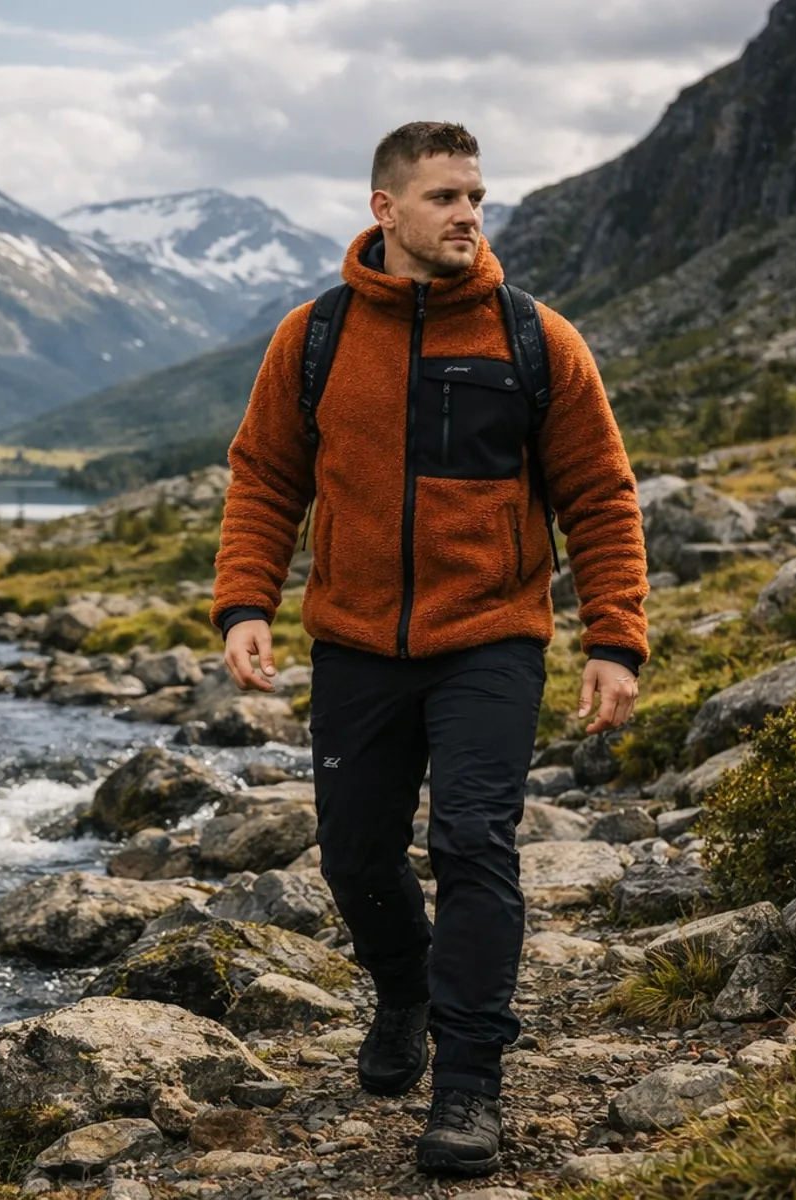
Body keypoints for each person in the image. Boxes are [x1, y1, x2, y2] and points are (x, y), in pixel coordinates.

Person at [210, 121, 649, 1178]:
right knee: (354, 855)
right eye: (446, 197)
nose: (467, 216)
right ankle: (403, 989)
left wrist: (615, 637)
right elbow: (266, 476)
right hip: (356, 642)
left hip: (490, 639)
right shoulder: (313, 338)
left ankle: (469, 1087)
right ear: (386, 209)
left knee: (472, 844)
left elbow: (600, 494)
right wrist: (244, 603)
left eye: (476, 197)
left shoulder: (536, 338)